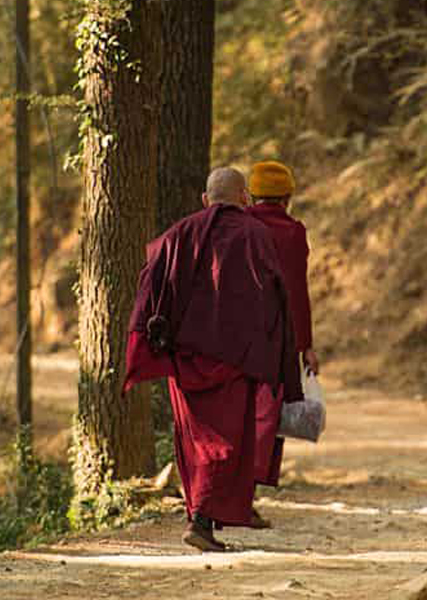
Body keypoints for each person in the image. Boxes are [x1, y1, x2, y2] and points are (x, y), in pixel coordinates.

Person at [124, 167, 306, 552]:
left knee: (196, 441)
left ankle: (200, 518)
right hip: (237, 359)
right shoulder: (257, 236)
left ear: (205, 200)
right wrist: (279, 356)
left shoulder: (176, 235)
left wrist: (149, 345)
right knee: (228, 442)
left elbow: (149, 291)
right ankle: (203, 521)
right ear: (244, 198)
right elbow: (277, 300)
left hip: (186, 360)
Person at [243, 160, 319, 497]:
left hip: (239, 336)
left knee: (242, 408)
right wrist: (306, 345)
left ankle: (240, 484)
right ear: (287, 196)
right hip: (280, 337)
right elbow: (296, 291)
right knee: (273, 406)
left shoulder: (241, 225)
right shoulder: (293, 232)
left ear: (251, 195)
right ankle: (259, 478)